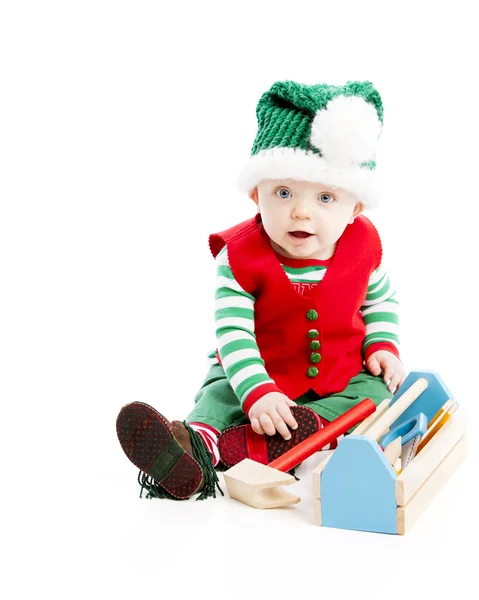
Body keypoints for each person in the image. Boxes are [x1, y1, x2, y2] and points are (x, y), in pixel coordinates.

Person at [116, 79, 406, 501]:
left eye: (326, 197)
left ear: (355, 207)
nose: (301, 211)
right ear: (256, 194)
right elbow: (234, 335)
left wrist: (382, 343)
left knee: (374, 395)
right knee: (218, 396)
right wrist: (258, 391)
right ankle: (193, 448)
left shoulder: (364, 246)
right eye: (283, 192)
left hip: (338, 371)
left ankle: (288, 433)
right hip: (255, 367)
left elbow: (379, 299)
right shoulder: (238, 257)